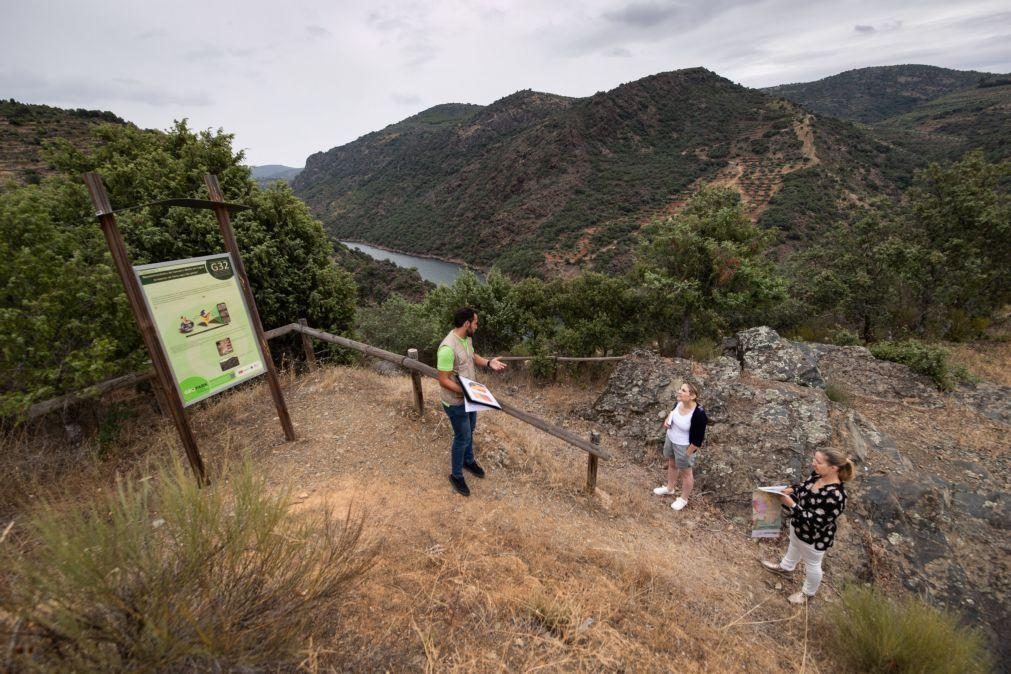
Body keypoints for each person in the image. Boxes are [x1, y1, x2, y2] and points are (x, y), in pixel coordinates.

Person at [761, 448, 854, 604]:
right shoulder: (818, 475)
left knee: (812, 565)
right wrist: (790, 489)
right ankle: (786, 568)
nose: (813, 463)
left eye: (818, 462)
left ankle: (807, 594)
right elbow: (804, 486)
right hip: (798, 525)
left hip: (814, 537)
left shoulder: (836, 496)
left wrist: (792, 505)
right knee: (794, 545)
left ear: (834, 468)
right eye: (814, 459)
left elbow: (818, 522)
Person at [437, 307, 506, 497]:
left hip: (470, 397)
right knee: (462, 437)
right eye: (475, 322)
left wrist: (488, 362)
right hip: (456, 402)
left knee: (470, 430)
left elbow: (472, 356)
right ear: (467, 324)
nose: (477, 325)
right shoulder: (447, 349)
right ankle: (456, 475)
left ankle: (468, 461)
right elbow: (443, 380)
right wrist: (466, 393)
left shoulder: (466, 338)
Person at [653, 382, 707, 511]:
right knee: (672, 464)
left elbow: (698, 440)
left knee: (686, 473)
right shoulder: (678, 403)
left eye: (683, 390)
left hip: (684, 446)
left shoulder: (699, 414)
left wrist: (688, 453)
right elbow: (672, 413)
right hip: (671, 439)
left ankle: (683, 499)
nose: (679, 392)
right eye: (680, 389)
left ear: (692, 396)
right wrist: (667, 421)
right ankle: (669, 488)